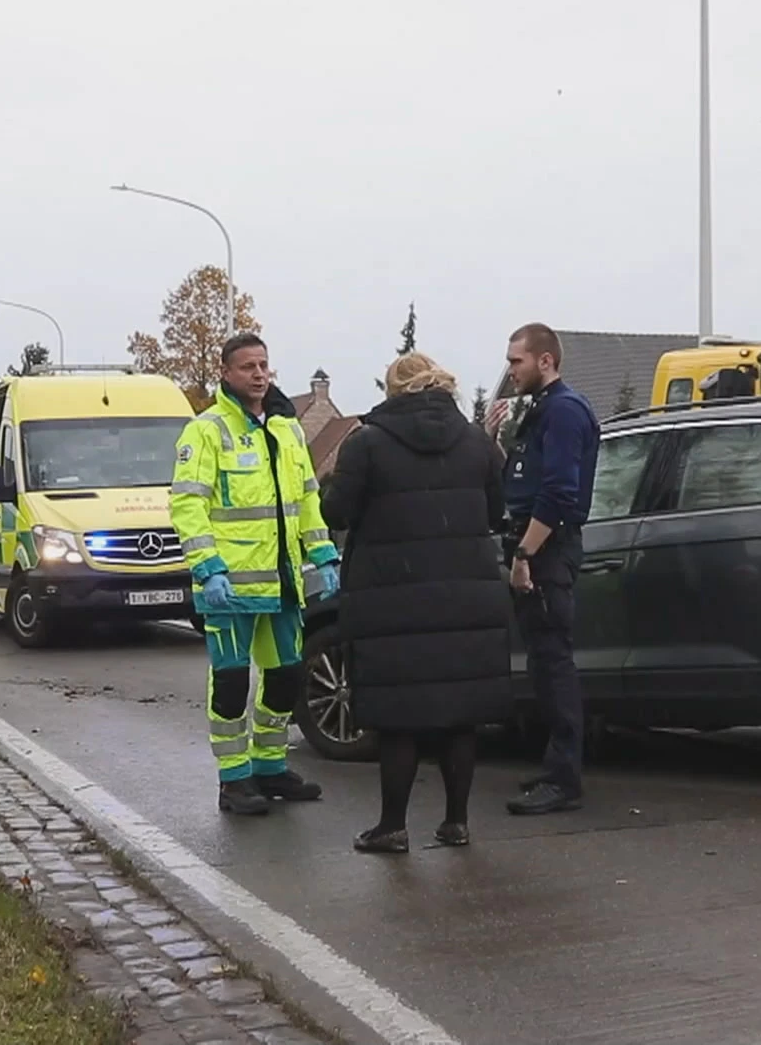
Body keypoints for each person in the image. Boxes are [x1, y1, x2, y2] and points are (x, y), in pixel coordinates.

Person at [322, 352, 513, 853]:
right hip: (466, 595)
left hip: (392, 599)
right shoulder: (477, 443)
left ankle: (392, 825)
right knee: (459, 714)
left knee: (397, 715)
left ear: (393, 390)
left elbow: (335, 512)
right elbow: (496, 512)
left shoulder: (367, 443)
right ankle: (456, 821)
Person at [170, 334, 341, 816]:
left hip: (283, 583)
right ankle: (234, 780)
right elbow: (187, 504)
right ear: (226, 373)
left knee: (286, 676)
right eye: (248, 366)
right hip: (229, 588)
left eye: (264, 365)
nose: (259, 374)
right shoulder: (206, 431)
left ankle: (270, 766)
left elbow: (307, 498)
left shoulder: (287, 431)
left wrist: (323, 554)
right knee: (230, 684)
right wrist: (208, 568)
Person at [500, 322, 599, 815]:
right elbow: (526, 477)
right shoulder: (542, 410)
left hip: (547, 549)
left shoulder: (563, 410)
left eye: (516, 361)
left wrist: (524, 555)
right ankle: (555, 765)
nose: (510, 370)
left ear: (545, 360)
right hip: (539, 543)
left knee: (554, 663)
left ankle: (564, 779)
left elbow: (559, 492)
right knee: (542, 661)